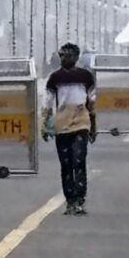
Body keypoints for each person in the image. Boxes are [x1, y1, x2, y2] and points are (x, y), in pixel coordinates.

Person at [42, 42, 97, 216]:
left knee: (79, 162)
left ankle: (79, 200)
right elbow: (47, 103)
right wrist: (44, 124)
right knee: (66, 165)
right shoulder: (54, 79)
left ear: (76, 57)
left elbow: (92, 103)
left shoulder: (86, 77)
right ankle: (70, 201)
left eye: (70, 55)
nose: (66, 58)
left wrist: (93, 126)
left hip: (81, 123)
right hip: (62, 126)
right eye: (63, 55)